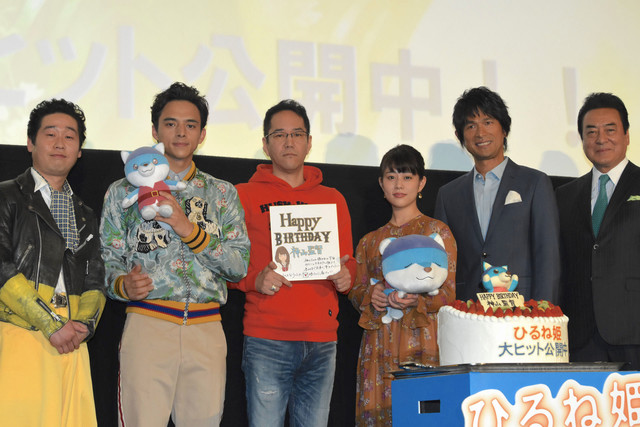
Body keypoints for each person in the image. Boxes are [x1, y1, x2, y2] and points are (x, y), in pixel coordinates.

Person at [100, 82, 250, 426]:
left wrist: (189, 230)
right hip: (148, 324)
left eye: (190, 125)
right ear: (155, 131)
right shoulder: (123, 191)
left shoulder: (222, 192)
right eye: (170, 124)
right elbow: (107, 258)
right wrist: (122, 284)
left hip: (206, 329)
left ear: (202, 135)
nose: (181, 132)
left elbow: (239, 265)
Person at [227, 99, 356, 427]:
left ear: (309, 142)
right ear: (265, 143)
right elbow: (224, 265)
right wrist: (254, 281)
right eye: (279, 134)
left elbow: (348, 261)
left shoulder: (333, 198)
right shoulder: (242, 195)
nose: (288, 142)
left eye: (297, 134)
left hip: (322, 340)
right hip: (267, 338)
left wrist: (347, 277)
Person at [0, 99, 106, 426]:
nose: (60, 143)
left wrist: (83, 325)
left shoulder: (85, 214)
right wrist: (50, 324)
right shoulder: (6, 196)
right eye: (50, 134)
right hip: (19, 332)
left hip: (71, 342)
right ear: (30, 143)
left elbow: (96, 277)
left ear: (79, 150)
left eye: (69, 136)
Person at [348, 144, 456, 425]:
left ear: (421, 183)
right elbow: (356, 291)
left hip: (423, 341)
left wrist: (418, 300)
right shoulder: (370, 241)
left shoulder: (436, 232)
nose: (398, 184)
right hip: (379, 344)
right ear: (381, 184)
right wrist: (371, 296)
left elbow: (448, 294)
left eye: (407, 177)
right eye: (391, 177)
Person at [434, 86, 560, 302]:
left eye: (488, 122)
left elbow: (548, 255)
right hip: (467, 309)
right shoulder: (448, 195)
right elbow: (442, 262)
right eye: (471, 125)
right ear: (459, 135)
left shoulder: (534, 183)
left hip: (522, 308)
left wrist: (542, 310)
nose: (480, 133)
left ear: (504, 128)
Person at [557, 92, 640, 370]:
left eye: (610, 130)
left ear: (627, 135)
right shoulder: (564, 195)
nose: (600, 139)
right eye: (591, 132)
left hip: (634, 330)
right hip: (581, 334)